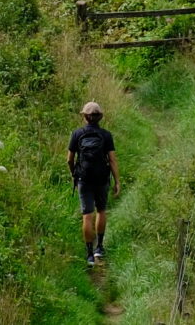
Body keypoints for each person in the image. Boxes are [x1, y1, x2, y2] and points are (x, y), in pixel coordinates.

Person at [66, 100, 120, 266]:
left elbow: (69, 159)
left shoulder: (77, 134)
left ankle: (89, 254)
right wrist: (117, 181)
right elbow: (112, 160)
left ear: (85, 117)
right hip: (102, 178)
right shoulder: (106, 135)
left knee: (87, 215)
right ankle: (100, 247)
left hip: (84, 178)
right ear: (100, 117)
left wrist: (74, 173)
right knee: (101, 211)